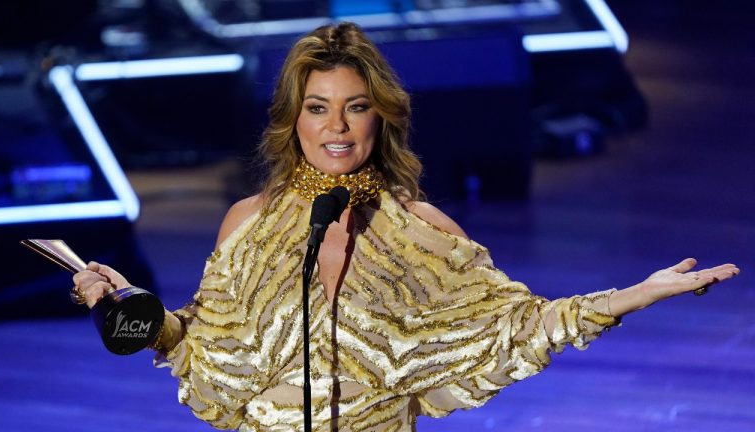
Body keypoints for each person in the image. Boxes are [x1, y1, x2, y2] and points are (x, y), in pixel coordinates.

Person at [72, 22, 740, 431]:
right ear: (293, 120)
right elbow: (199, 345)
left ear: (380, 118)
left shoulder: (420, 230)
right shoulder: (248, 223)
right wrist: (126, 304)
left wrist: (630, 297)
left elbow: (519, 326)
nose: (335, 127)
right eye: (318, 107)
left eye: (355, 108)